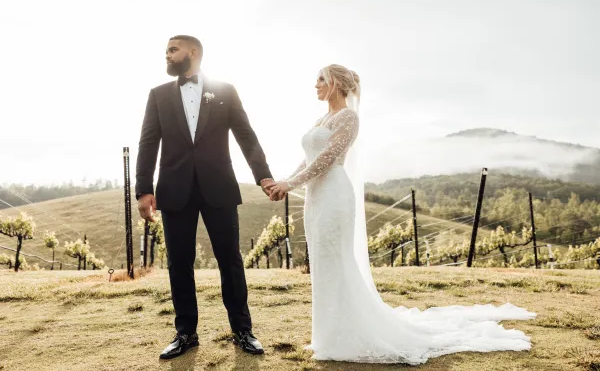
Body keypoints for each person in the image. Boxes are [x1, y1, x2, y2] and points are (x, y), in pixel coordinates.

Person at [265, 64, 537, 365]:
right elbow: (308, 159)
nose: (315, 84)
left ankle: (345, 335)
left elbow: (328, 159)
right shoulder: (321, 118)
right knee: (322, 263)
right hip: (315, 198)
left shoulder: (348, 118)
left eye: (320, 79)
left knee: (336, 261)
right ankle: (326, 336)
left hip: (334, 195)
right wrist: (284, 185)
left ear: (337, 84)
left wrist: (290, 183)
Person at [135, 35, 273, 360]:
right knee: (179, 265)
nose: (167, 56)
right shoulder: (157, 95)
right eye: (167, 51)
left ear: (192, 52)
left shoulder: (225, 90)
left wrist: (262, 174)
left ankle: (243, 330)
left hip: (219, 187)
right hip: (174, 190)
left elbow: (246, 135)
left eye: (172, 50)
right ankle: (185, 334)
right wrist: (144, 189)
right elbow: (147, 143)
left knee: (230, 260)